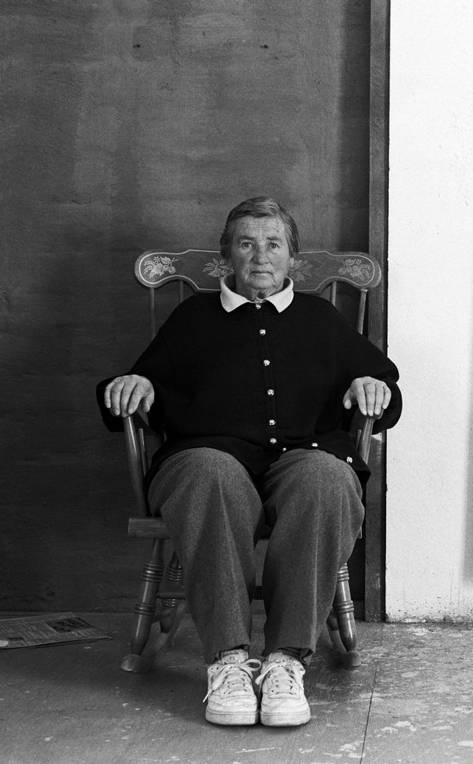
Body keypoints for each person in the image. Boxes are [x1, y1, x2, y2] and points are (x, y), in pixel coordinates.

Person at [102, 197, 401, 727]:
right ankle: (229, 661)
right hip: (207, 457)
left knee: (327, 477)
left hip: (303, 456)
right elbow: (141, 386)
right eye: (246, 244)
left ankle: (287, 661)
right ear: (227, 257)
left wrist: (370, 385)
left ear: (292, 259)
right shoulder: (193, 317)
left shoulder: (318, 317)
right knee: (208, 472)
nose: (260, 257)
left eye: (273, 244)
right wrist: (135, 382)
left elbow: (386, 393)